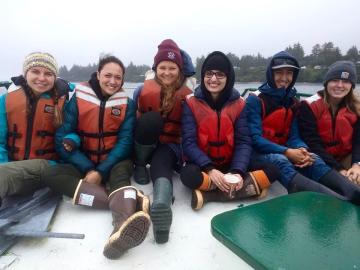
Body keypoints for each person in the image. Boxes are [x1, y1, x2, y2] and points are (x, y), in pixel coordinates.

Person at [41, 55, 150, 259]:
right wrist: (89, 169)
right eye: (107, 75)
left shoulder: (127, 103)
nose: (112, 81)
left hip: (115, 161)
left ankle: (119, 230)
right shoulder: (78, 99)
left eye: (118, 77)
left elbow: (125, 142)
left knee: (120, 178)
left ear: (122, 80)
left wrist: (101, 171)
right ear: (98, 74)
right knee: (51, 175)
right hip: (83, 161)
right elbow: (61, 138)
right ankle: (128, 201)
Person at [245, 51, 360, 204]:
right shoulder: (255, 100)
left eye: (289, 73)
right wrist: (287, 152)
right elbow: (255, 139)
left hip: (285, 150)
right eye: (279, 72)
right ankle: (334, 200)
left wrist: (301, 149)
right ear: (270, 73)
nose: (284, 78)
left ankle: (353, 192)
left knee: (313, 158)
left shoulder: (292, 101)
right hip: (256, 154)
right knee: (280, 160)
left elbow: (294, 136)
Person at [180, 51, 279, 210]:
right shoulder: (190, 103)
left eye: (220, 75)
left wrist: (237, 171)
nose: (213, 79)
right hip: (204, 165)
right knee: (188, 176)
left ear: (228, 77)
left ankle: (209, 194)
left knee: (273, 169)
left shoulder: (239, 104)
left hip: (231, 162)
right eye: (209, 74)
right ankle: (248, 188)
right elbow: (189, 143)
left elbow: (244, 142)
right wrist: (210, 169)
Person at [132, 39, 193, 243]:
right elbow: (132, 121)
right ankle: (140, 165)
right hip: (144, 142)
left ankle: (161, 203)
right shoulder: (141, 90)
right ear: (156, 68)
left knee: (161, 163)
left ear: (180, 69)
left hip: (170, 145)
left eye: (172, 68)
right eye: (162, 67)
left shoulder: (189, 95)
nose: (167, 72)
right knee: (151, 120)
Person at [0, 52, 69, 206]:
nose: (42, 78)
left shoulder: (63, 104)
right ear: (25, 74)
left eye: (48, 74)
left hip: (46, 167)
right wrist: (6, 167)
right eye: (35, 72)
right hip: (11, 168)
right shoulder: (6, 100)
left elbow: (70, 136)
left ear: (55, 77)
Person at [298, 61, 360, 191]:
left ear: (351, 85)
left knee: (355, 178)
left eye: (345, 82)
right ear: (326, 83)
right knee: (346, 186)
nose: (339, 85)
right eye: (335, 80)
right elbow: (313, 144)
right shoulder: (309, 105)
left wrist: (356, 165)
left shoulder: (356, 108)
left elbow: (357, 142)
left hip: (346, 157)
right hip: (319, 158)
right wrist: (340, 170)